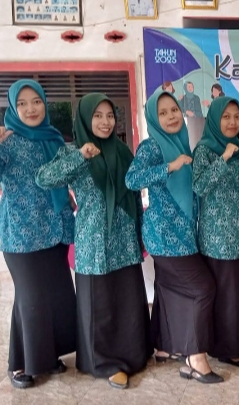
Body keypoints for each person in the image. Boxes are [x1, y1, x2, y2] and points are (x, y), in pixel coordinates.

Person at [36, 93, 151, 390]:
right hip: (93, 239)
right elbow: (44, 178)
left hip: (124, 237)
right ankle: (104, 362)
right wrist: (81, 156)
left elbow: (134, 195)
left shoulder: (123, 151)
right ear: (86, 119)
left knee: (126, 299)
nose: (105, 122)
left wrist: (139, 234)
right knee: (99, 303)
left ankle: (134, 354)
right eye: (98, 116)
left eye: (110, 115)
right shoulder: (73, 151)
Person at [0, 79, 77, 390]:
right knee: (30, 298)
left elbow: (67, 178)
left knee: (54, 296)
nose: (31, 108)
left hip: (55, 232)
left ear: (45, 104)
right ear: (13, 108)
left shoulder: (54, 139)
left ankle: (48, 357)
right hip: (21, 236)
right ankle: (19, 363)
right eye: (22, 103)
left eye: (36, 101)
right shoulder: (6, 141)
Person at [125, 91, 223, 384]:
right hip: (165, 236)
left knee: (169, 288)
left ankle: (165, 346)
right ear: (154, 118)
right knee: (203, 288)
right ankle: (195, 357)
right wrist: (169, 166)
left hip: (184, 235)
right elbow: (132, 179)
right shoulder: (152, 146)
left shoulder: (182, 144)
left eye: (174, 110)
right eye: (163, 112)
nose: (171, 116)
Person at [192, 96, 239, 369]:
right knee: (226, 296)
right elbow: (199, 186)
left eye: (237, 117)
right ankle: (227, 349)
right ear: (215, 119)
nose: (232, 122)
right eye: (226, 117)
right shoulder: (205, 150)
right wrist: (223, 158)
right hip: (217, 237)